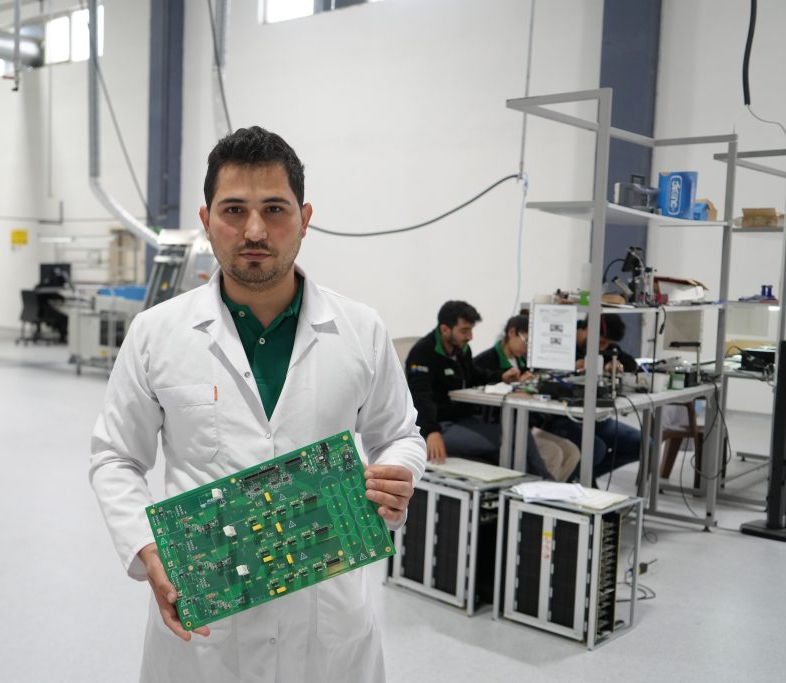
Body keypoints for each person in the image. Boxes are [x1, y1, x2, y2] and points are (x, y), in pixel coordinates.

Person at [88, 126, 426, 682]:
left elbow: (400, 435)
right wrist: (148, 549)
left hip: (327, 615)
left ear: (305, 218)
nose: (254, 230)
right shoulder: (156, 334)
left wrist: (399, 472)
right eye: (234, 210)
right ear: (206, 220)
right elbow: (115, 456)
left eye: (274, 209)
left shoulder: (360, 330)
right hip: (207, 622)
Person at [404, 301, 552, 479]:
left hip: (463, 421)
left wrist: (502, 376)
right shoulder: (422, 353)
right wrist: (431, 432)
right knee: (517, 435)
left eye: (471, 330)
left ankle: (532, 488)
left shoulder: (461, 350)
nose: (470, 337)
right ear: (445, 329)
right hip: (440, 426)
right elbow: (420, 397)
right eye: (464, 331)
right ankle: (547, 483)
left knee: (514, 441)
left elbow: (475, 374)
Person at [474, 315, 580, 481]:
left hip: (525, 425)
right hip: (502, 427)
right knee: (554, 453)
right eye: (527, 342)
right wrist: (516, 386)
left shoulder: (525, 362)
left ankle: (551, 492)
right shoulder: (484, 362)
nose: (528, 349)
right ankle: (539, 493)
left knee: (572, 452)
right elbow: (482, 400)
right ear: (512, 332)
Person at [543, 313, 642, 479]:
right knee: (596, 449)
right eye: (602, 342)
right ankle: (576, 481)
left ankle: (585, 479)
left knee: (643, 444)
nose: (603, 348)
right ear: (589, 328)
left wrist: (613, 364)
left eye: (608, 343)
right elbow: (544, 372)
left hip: (595, 417)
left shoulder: (604, 345)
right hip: (562, 417)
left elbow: (630, 363)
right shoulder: (561, 339)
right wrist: (571, 367)